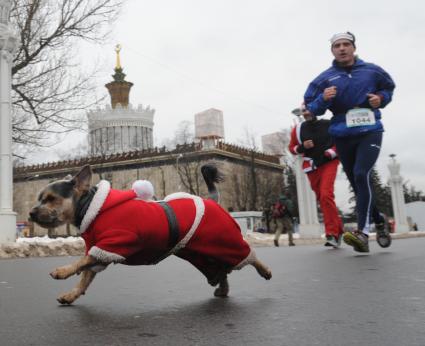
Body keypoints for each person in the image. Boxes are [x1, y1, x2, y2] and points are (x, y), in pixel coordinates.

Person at [303, 32, 395, 253]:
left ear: (353, 47)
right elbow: (310, 108)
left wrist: (381, 99)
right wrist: (323, 99)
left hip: (369, 130)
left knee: (362, 174)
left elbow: (388, 88)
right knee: (356, 182)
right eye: (337, 45)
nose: (342, 48)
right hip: (343, 133)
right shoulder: (324, 78)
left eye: (346, 44)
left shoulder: (372, 70)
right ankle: (379, 219)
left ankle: (363, 233)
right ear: (332, 51)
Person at [289, 109, 344, 248]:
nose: (306, 113)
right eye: (304, 111)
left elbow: (341, 140)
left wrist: (331, 152)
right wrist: (302, 147)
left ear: (316, 109)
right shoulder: (298, 129)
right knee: (323, 199)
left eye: (308, 110)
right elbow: (292, 148)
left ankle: (332, 233)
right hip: (312, 166)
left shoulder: (328, 124)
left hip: (328, 162)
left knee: (326, 195)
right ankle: (339, 230)